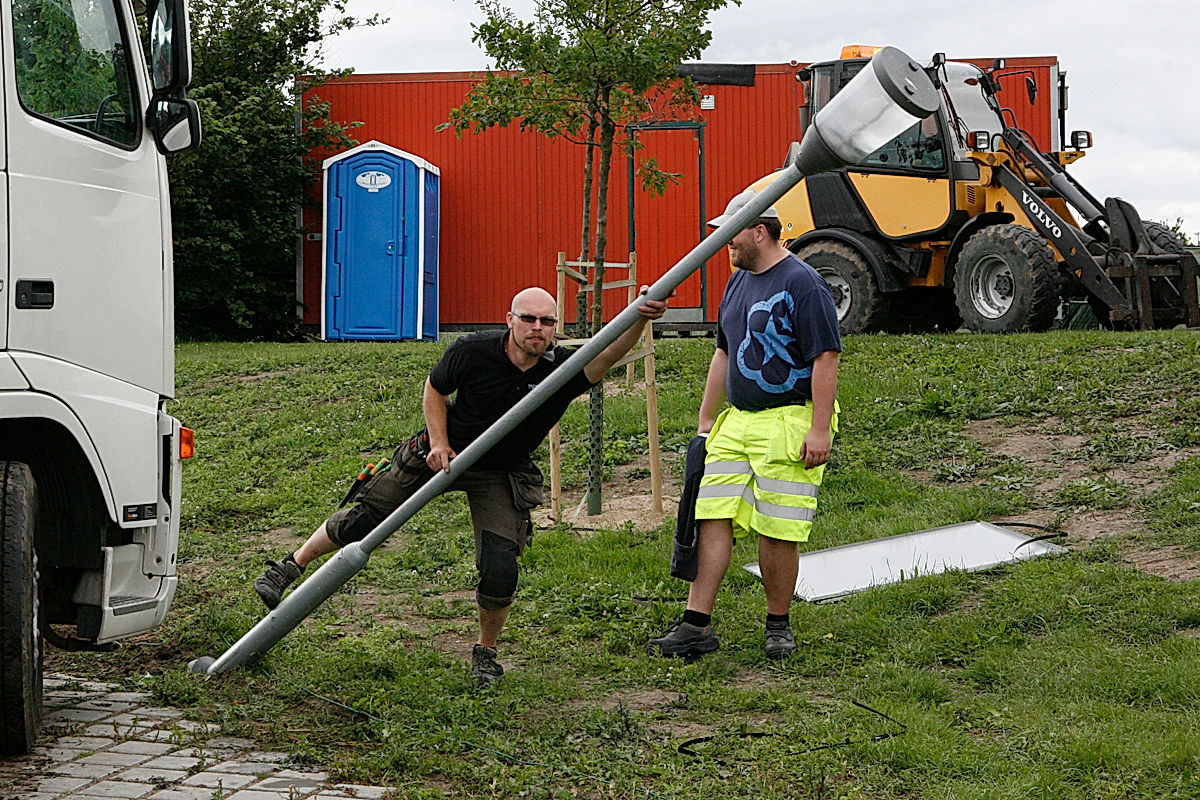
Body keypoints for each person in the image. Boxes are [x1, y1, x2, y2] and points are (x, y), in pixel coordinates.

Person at [255, 286, 669, 684]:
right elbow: (435, 389)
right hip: (444, 452)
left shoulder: (559, 370)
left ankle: (485, 652)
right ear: (510, 320)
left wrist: (638, 317)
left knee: (500, 567)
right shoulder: (473, 350)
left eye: (547, 321)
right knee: (365, 519)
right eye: (528, 319)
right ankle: (290, 565)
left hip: (500, 470)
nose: (537, 328)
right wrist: (438, 443)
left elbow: (610, 352)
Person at [647, 188, 841, 661]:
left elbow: (826, 356)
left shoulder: (803, 282)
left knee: (779, 527)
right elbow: (723, 352)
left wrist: (819, 429)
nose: (724, 243)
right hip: (736, 422)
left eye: (732, 234)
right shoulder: (737, 282)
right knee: (711, 516)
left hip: (789, 419)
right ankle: (697, 624)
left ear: (759, 230)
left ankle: (778, 625)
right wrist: (706, 419)